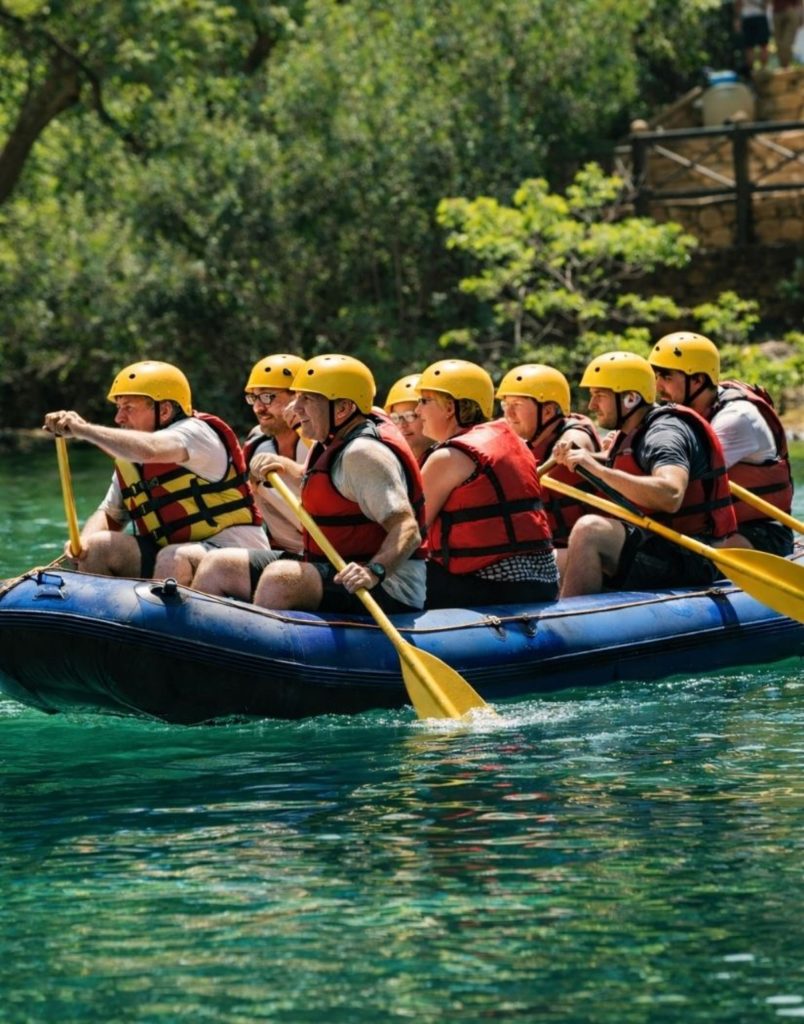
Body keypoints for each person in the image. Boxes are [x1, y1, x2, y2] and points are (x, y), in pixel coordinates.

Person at [43, 360, 269, 579]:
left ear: (165, 410)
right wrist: (82, 545)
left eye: (129, 408)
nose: (118, 417)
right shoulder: (130, 460)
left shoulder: (195, 433)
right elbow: (111, 514)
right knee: (96, 547)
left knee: (174, 556)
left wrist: (83, 430)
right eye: (119, 407)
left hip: (235, 556)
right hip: (169, 559)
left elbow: (150, 450)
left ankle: (159, 614)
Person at [552, 351, 737, 598]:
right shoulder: (633, 430)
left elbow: (670, 494)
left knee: (589, 530)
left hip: (689, 555)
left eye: (600, 396)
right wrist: (584, 459)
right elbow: (628, 466)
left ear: (630, 398)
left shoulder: (664, 434)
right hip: (657, 543)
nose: (591, 405)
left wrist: (596, 468)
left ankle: (572, 625)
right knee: (553, 558)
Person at [251, 354, 427, 614]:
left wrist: (374, 571)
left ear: (343, 408)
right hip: (334, 564)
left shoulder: (363, 453)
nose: (295, 408)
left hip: (389, 583)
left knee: (281, 578)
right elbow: (332, 487)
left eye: (307, 399)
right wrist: (284, 466)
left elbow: (407, 529)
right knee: (221, 566)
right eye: (297, 397)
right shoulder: (331, 439)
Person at [415, 358, 559, 608]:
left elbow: (409, 532)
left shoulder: (448, 457)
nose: (417, 411)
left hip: (488, 584)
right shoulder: (514, 442)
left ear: (449, 407)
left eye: (424, 401)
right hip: (543, 584)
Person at [649, 331, 794, 555]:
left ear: (697, 380)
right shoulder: (691, 410)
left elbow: (684, 479)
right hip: (716, 528)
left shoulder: (736, 418)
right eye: (656, 376)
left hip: (760, 532)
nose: (658, 387)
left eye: (666, 377)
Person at [188, 353, 309, 600]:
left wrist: (286, 465)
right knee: (187, 558)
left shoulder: (325, 442)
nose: (258, 407)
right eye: (253, 397)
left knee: (218, 566)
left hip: (329, 561)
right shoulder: (257, 442)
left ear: (298, 398)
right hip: (281, 554)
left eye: (268, 397)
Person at [496, 363, 601, 574]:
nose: (508, 413)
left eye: (516, 404)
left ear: (548, 411)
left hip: (581, 550)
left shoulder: (573, 436)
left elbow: (574, 443)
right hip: (551, 547)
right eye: (505, 405)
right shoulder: (530, 436)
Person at [383, 373, 434, 462]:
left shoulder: (448, 458)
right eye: (395, 418)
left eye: (410, 416)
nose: (402, 425)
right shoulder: (393, 460)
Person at [735, 0, 771, 72]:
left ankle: (751, 72)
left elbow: (738, 4)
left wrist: (737, 19)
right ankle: (763, 71)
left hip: (747, 17)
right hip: (760, 17)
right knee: (763, 45)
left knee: (750, 47)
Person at [772, 0, 803, 68]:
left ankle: (785, 67)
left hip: (788, 10)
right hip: (778, 11)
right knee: (780, 44)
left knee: (786, 43)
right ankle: (784, 67)